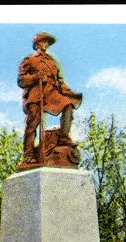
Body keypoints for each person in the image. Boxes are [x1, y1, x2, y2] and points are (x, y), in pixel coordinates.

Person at [18, 32, 82, 164]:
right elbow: (21, 80)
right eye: (43, 42)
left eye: (47, 42)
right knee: (33, 124)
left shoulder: (52, 62)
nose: (46, 44)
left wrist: (69, 93)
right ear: (37, 44)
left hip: (50, 93)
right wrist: (36, 77)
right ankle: (28, 154)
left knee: (68, 106)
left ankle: (64, 138)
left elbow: (59, 81)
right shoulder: (30, 60)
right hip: (36, 94)